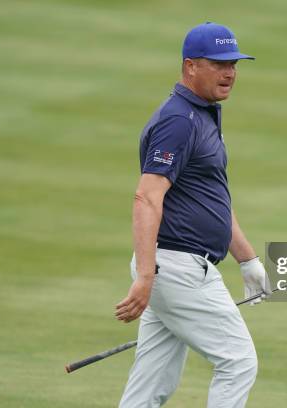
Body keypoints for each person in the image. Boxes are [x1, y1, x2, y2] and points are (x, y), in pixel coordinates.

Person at [115, 22, 271, 408]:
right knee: (238, 361)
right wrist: (147, 276)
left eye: (233, 63)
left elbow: (210, 199)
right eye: (218, 64)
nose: (230, 72)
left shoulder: (201, 115)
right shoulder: (179, 121)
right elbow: (147, 198)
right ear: (190, 67)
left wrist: (247, 259)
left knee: (153, 384)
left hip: (173, 268)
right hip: (178, 268)